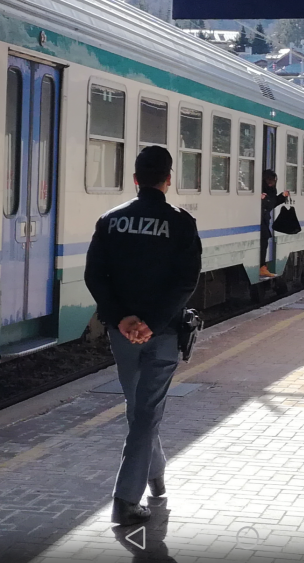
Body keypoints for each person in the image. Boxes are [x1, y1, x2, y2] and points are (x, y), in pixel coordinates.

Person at [85, 145, 202, 526]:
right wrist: (151, 322)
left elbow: (94, 276)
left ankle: (156, 473)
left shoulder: (110, 220)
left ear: (135, 179)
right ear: (168, 179)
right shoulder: (181, 222)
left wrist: (122, 319)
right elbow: (186, 281)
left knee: (138, 409)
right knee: (147, 412)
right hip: (163, 333)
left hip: (122, 335)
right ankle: (125, 500)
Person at [260, 169, 289, 278]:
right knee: (264, 240)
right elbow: (268, 204)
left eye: (273, 180)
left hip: (264, 219)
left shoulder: (271, 190)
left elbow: (271, 203)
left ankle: (263, 266)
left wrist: (282, 197)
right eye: (268, 179)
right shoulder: (261, 189)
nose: (271, 182)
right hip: (260, 219)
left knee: (264, 240)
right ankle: (262, 266)